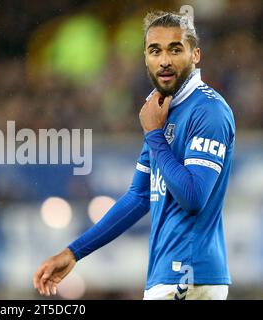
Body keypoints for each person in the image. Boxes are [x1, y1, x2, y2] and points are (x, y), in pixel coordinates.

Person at [33, 11, 235, 300]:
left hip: (189, 278)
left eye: (175, 49)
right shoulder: (161, 109)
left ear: (195, 55)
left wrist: (154, 135)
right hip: (168, 277)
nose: (164, 60)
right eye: (155, 51)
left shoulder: (208, 110)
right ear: (145, 58)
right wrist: (74, 252)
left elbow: (193, 196)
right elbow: (139, 197)